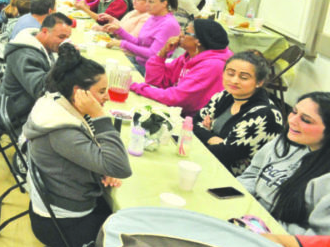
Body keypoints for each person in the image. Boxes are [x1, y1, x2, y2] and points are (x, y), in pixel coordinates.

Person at [23, 43, 133, 247]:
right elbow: (120, 167)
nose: (107, 97)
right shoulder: (62, 130)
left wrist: (101, 167)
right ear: (78, 92)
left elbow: (97, 156)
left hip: (61, 204)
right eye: (101, 91)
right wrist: (100, 115)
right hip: (64, 227)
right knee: (136, 234)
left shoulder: (55, 102)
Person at [238, 93, 330, 235]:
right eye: (293, 111)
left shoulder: (325, 179)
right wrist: (236, 197)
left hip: (278, 241)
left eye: (306, 120)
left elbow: (317, 242)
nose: (292, 121)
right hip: (248, 219)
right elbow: (252, 173)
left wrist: (263, 223)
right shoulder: (286, 141)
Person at [192, 51, 283, 176]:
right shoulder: (225, 95)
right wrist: (212, 138)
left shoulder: (266, 115)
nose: (234, 80)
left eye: (244, 77)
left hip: (233, 176)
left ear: (259, 82)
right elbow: (194, 123)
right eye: (230, 73)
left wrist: (207, 134)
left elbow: (226, 154)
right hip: (209, 162)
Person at [129, 19, 233, 118]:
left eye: (186, 33)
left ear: (199, 41)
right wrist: (162, 53)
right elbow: (155, 81)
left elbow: (176, 98)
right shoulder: (188, 57)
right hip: (178, 112)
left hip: (195, 122)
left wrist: (136, 87)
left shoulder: (212, 65)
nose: (180, 35)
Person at [0, 12, 73, 137]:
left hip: (28, 103)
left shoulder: (45, 46)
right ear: (45, 32)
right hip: (17, 113)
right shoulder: (24, 54)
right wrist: (64, 62)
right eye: (61, 37)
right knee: (71, 127)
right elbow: (40, 89)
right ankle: (27, 155)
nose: (65, 42)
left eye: (67, 38)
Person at [102, 0, 181, 71]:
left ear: (164, 3)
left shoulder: (168, 24)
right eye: (146, 1)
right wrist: (120, 31)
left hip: (149, 69)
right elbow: (139, 42)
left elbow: (153, 54)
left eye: (151, 2)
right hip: (138, 61)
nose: (147, 5)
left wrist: (123, 44)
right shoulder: (153, 17)